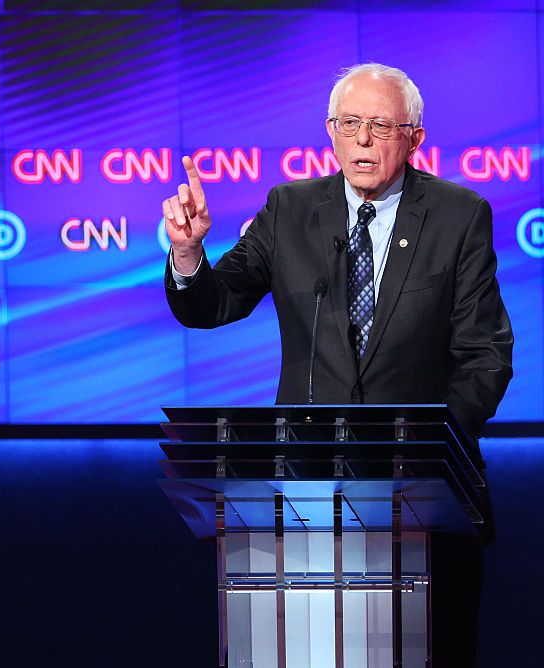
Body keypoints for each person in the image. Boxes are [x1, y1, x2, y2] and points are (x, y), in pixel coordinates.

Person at [162, 63, 513, 665]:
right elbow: (214, 304)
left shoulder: (459, 216)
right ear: (330, 130)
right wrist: (188, 252)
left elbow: (484, 357)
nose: (364, 141)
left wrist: (426, 449)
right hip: (304, 497)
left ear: (414, 137)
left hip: (422, 503)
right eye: (351, 124)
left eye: (381, 125)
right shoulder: (290, 209)